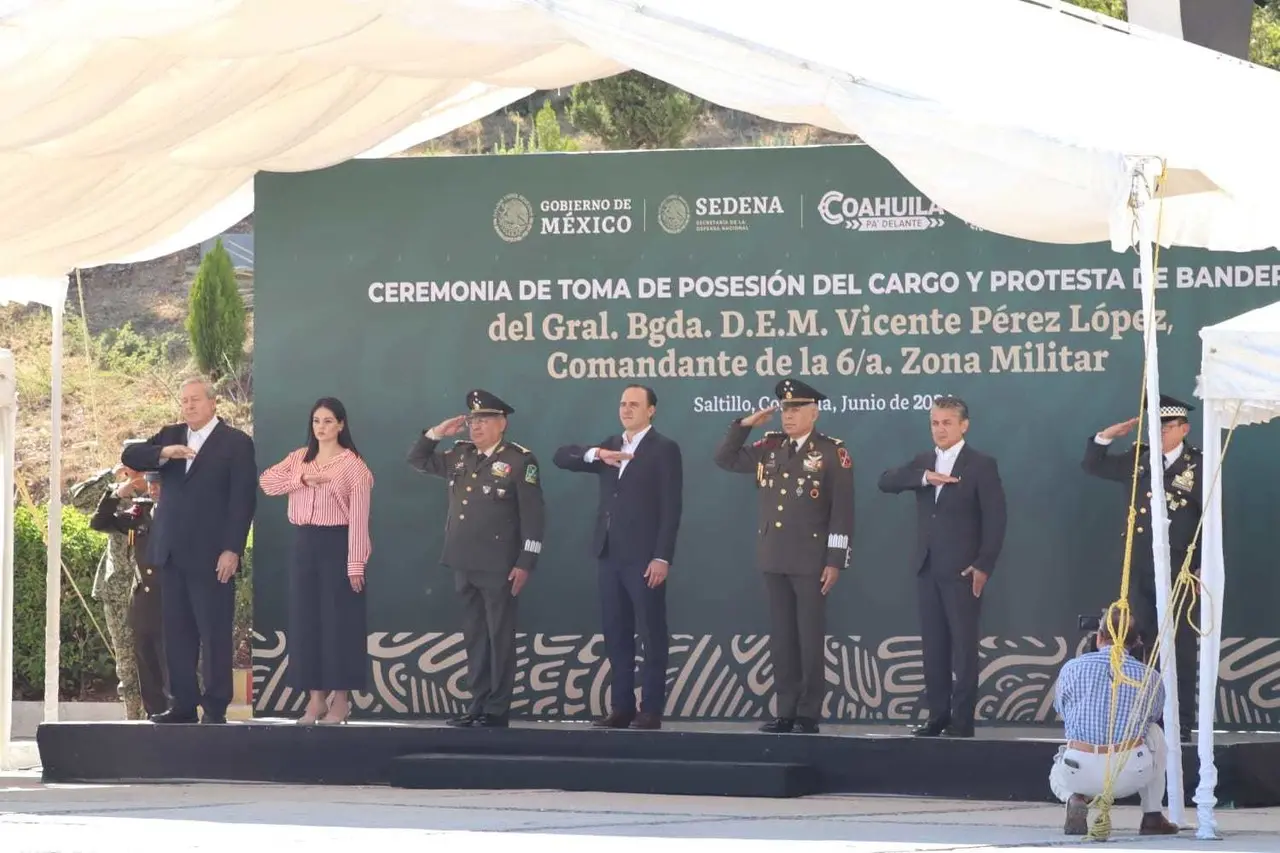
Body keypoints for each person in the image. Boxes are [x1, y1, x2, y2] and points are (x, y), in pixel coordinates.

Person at [713, 378, 853, 734]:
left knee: (809, 637)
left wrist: (835, 560)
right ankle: (785, 709)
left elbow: (842, 511)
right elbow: (724, 459)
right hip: (773, 556)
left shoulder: (831, 451)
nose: (788, 417)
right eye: (785, 410)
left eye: (797, 409)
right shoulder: (771, 447)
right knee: (782, 638)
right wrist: (744, 426)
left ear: (814, 412)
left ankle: (808, 712)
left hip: (811, 560)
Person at [122, 376, 257, 724]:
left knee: (213, 633)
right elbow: (130, 455)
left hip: (213, 555)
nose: (189, 406)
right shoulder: (170, 435)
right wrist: (164, 453)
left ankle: (215, 707)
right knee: (177, 633)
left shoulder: (236, 443)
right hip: (171, 551)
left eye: (195, 400)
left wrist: (232, 549)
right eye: (184, 401)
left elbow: (243, 501)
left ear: (213, 403)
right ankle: (182, 704)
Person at [408, 389, 545, 728]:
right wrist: (437, 433)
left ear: (502, 423)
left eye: (484, 420)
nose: (475, 426)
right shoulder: (460, 455)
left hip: (500, 564)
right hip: (463, 561)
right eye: (472, 420)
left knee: (499, 635)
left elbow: (534, 516)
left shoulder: (518, 460)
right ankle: (477, 703)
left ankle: (497, 708)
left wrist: (526, 562)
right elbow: (417, 459)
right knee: (474, 636)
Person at [553, 384, 683, 730]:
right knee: (616, 632)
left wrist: (662, 557)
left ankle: (650, 709)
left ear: (651, 410)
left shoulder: (664, 449)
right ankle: (621, 706)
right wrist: (597, 454)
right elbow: (561, 456)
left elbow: (671, 509)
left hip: (644, 557)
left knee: (651, 633)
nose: (626, 409)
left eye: (635, 404)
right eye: (623, 404)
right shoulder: (610, 446)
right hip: (609, 553)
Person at [877, 395, 1007, 738]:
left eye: (947, 422)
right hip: (928, 567)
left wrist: (983, 565)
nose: (940, 429)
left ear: (964, 425)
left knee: (963, 647)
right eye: (935, 422)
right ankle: (937, 716)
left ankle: (962, 722)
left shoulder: (981, 464)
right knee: (933, 645)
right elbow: (886, 481)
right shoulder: (923, 462)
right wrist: (924, 478)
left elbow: (996, 519)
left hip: (963, 570)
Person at [1082, 393, 1201, 744]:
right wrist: (1106, 436)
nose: (1160, 433)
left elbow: (1209, 519)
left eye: (1166, 427)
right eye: (1154, 427)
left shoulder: (1199, 463)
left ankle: (1179, 723)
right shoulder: (1138, 460)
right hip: (1139, 567)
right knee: (1142, 641)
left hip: (1180, 567)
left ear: (1184, 428)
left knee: (1178, 644)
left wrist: (1200, 567)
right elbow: (1093, 465)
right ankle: (1144, 720)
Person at [260, 397, 374, 725]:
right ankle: (315, 700)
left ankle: (341, 701)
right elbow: (267, 482)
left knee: (339, 624)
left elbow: (359, 519)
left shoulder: (354, 466)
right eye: (316, 421)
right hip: (303, 544)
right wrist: (301, 481)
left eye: (327, 421)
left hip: (337, 544)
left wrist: (355, 564)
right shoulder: (299, 459)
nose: (321, 427)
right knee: (305, 621)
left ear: (341, 424)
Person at [1051, 604, 1179, 836]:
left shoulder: (1071, 668)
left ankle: (1074, 797)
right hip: (1130, 773)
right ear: (1137, 641)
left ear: (1099, 637)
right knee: (1154, 734)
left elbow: (1061, 708)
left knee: (1058, 767)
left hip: (1078, 771)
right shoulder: (1150, 675)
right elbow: (1154, 717)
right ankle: (1152, 815)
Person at [70, 459, 146, 720]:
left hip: (153, 589)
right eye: (133, 466)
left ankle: (158, 721)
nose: (138, 473)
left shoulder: (161, 490)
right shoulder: (116, 490)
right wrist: (111, 477)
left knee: (157, 660)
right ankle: (134, 722)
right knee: (126, 666)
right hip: (117, 589)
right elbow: (78, 501)